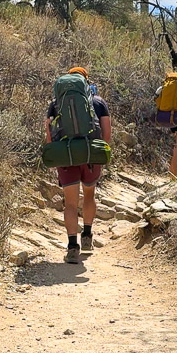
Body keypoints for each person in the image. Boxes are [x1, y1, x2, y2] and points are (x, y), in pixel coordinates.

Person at [44, 67, 112, 264]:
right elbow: (106, 133)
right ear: (85, 81)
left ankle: (72, 247)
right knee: (89, 195)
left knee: (71, 203)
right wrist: (99, 152)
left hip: (66, 156)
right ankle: (88, 236)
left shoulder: (56, 103)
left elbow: (49, 134)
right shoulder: (98, 102)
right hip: (91, 155)